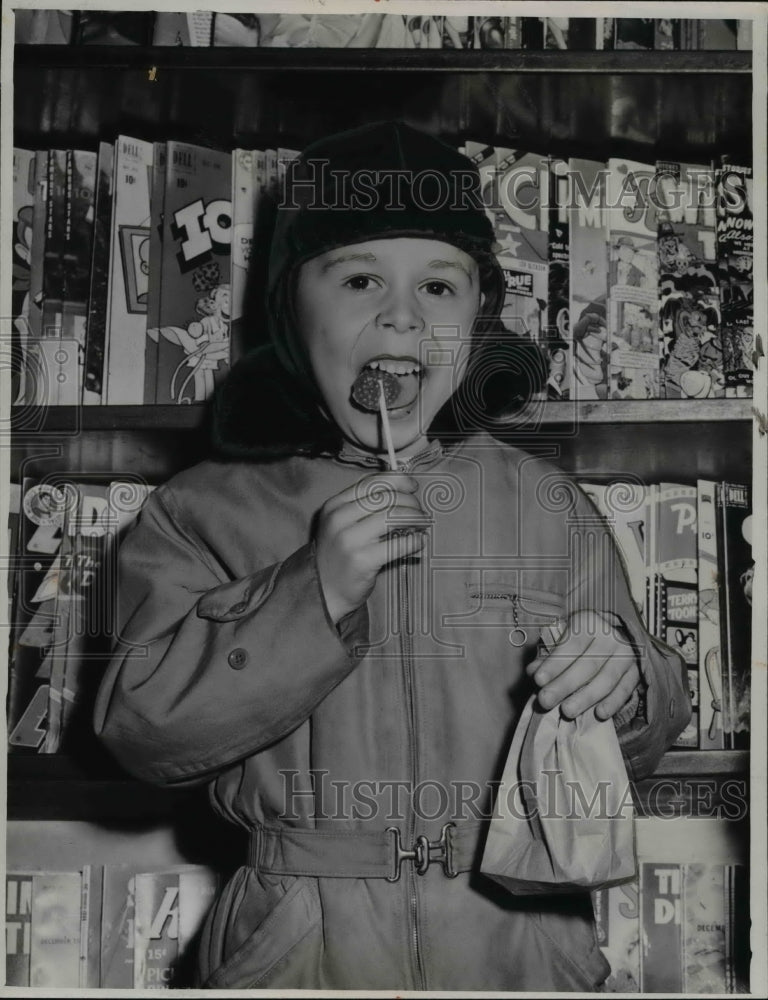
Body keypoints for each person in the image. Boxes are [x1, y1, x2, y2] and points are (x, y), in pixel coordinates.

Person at [94, 122, 691, 991]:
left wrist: (627, 676)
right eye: (361, 278)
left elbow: (646, 736)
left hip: (521, 947)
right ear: (291, 312)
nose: (403, 314)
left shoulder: (550, 506)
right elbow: (141, 730)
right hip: (297, 950)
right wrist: (314, 593)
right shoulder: (200, 510)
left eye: (440, 286)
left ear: (475, 317)